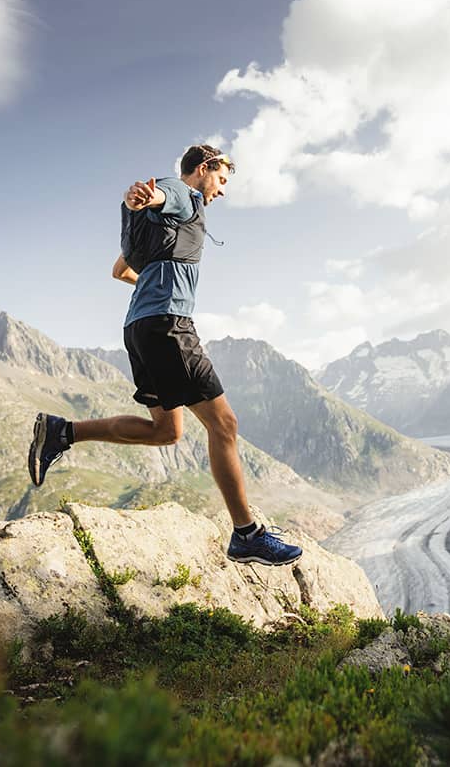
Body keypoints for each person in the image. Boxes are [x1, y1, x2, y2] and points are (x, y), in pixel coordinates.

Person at [27, 144, 302, 567]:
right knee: (225, 425)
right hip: (170, 327)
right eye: (221, 179)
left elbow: (120, 270)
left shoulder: (154, 227)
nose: (221, 190)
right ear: (204, 168)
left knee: (166, 431)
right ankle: (247, 535)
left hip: (139, 328)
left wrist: (151, 272)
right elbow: (159, 194)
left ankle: (62, 432)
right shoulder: (184, 194)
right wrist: (144, 195)